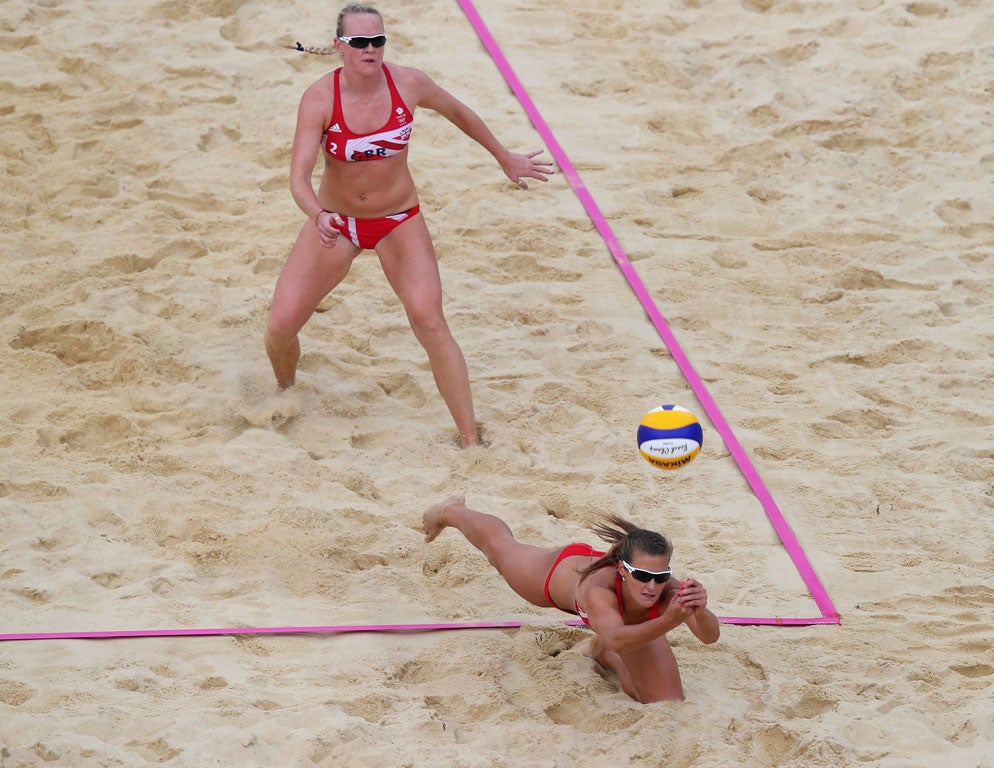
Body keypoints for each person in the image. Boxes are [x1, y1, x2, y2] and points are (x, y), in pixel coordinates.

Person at [265, 3, 553, 447]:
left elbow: (459, 113)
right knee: (280, 327)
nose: (370, 49)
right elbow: (298, 178)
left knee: (431, 322)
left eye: (377, 40)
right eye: (360, 41)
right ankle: (286, 392)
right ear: (341, 47)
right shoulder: (321, 98)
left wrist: (504, 156)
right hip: (338, 222)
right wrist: (318, 215)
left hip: (398, 219)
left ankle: (470, 440)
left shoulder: (409, 82)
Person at [423, 494, 721, 703]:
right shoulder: (597, 589)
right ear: (623, 569)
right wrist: (669, 620)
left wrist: (701, 610)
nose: (652, 585)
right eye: (642, 575)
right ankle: (450, 510)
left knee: (663, 700)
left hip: (621, 625)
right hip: (560, 578)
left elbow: (709, 637)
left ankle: (599, 648)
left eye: (660, 576)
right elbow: (618, 638)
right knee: (499, 549)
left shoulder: (666, 587)